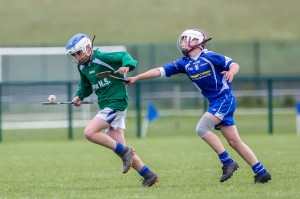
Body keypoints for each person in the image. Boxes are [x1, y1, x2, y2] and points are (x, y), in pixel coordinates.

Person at [126, 29, 272, 184]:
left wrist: (232, 72)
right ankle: (261, 173)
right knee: (234, 142)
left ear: (195, 42)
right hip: (217, 103)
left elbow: (234, 64)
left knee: (201, 128)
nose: (181, 43)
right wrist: (136, 78)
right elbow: (158, 71)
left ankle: (228, 162)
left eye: (185, 39)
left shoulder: (209, 56)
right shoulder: (184, 63)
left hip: (224, 99)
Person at [65, 33, 159, 187]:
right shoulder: (82, 67)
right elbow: (85, 85)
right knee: (120, 148)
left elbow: (124, 55)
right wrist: (78, 97)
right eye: (74, 54)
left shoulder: (102, 57)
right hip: (106, 105)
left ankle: (125, 152)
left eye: (79, 52)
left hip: (116, 103)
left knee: (89, 132)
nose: (78, 56)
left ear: (88, 47)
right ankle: (149, 176)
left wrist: (126, 66)